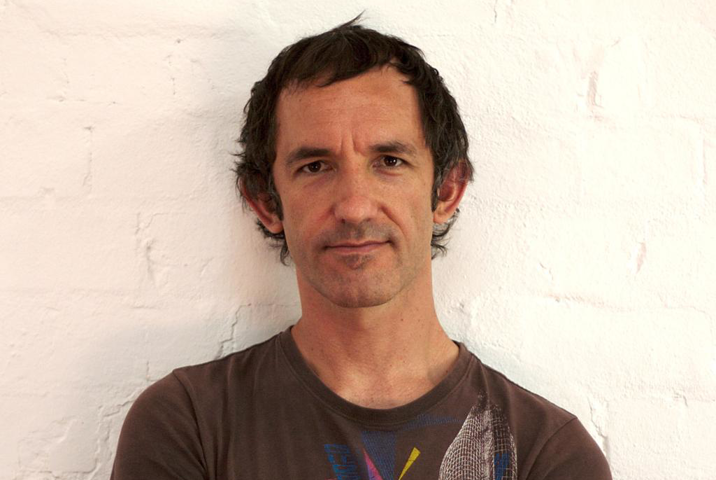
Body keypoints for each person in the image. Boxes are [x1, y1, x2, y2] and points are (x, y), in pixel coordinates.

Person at [111, 17, 612, 480]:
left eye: (390, 161)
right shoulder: (189, 423)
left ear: (446, 190)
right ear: (266, 201)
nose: (354, 207)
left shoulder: (545, 453)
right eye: (315, 167)